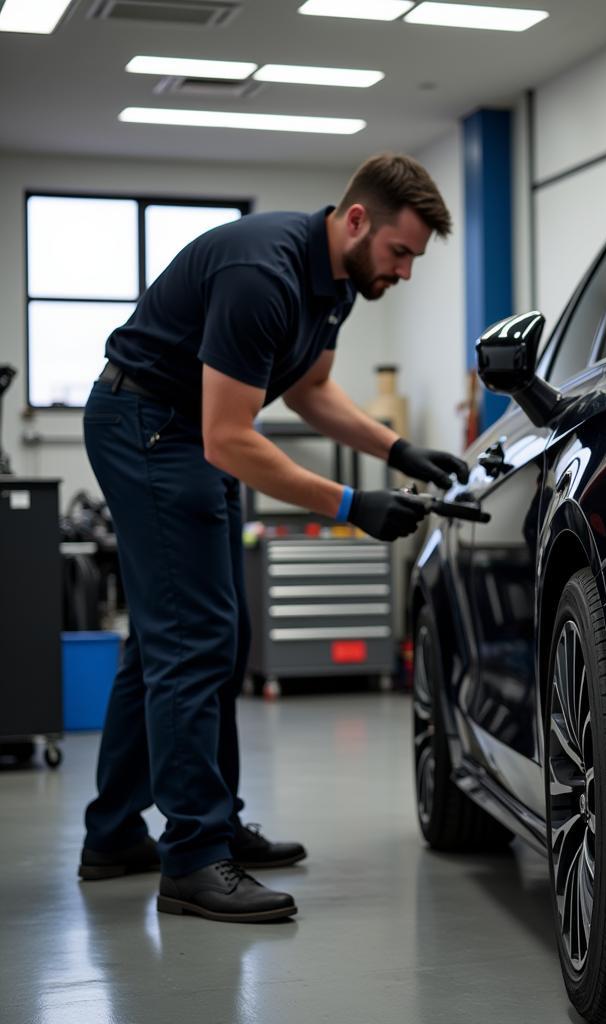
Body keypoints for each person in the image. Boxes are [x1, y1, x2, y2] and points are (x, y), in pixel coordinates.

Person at [77, 153, 468, 923]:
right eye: (401, 253)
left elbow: (310, 388)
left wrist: (395, 448)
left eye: (416, 259)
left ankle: (120, 835)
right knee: (195, 639)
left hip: (186, 429)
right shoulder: (264, 273)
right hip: (149, 425)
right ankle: (193, 859)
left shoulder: (341, 284)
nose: (406, 272)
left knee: (191, 638)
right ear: (357, 221)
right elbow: (230, 438)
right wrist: (351, 502)